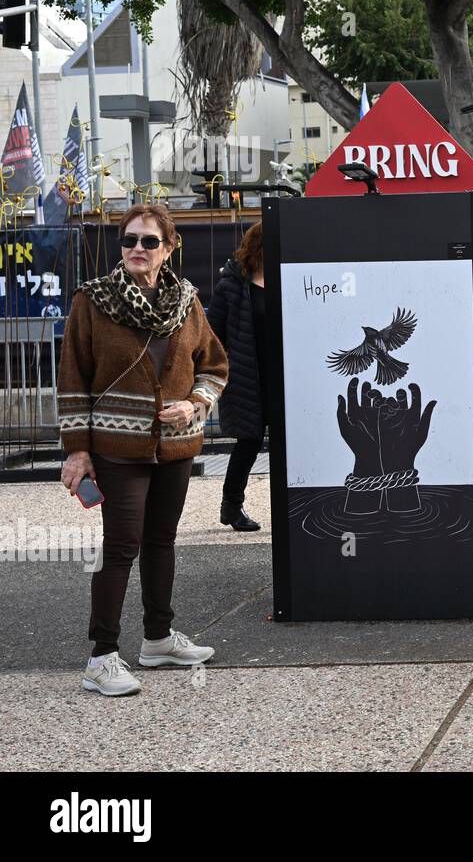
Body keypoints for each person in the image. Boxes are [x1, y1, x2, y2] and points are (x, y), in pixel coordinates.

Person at [58, 203, 229, 697]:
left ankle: (157, 639)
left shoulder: (187, 303)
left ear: (169, 249)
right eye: (129, 240)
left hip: (175, 447)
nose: (137, 249)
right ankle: (101, 657)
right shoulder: (92, 301)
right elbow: (72, 380)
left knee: (161, 542)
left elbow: (215, 367)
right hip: (117, 447)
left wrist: (197, 403)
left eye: (149, 242)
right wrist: (77, 451)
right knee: (120, 548)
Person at [206, 222, 268, 531]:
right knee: (249, 443)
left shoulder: (287, 277)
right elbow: (211, 333)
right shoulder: (231, 284)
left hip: (279, 374)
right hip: (245, 376)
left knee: (287, 443)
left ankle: (289, 501)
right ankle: (231, 506)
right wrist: (225, 367)